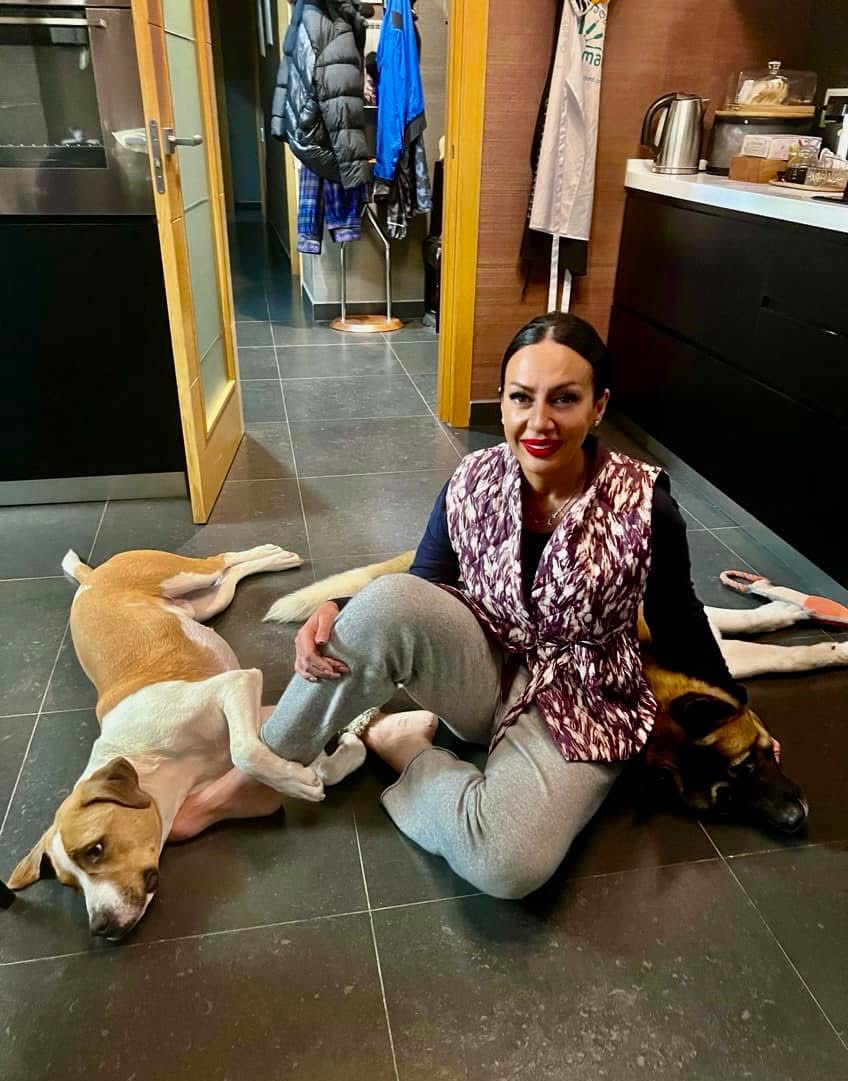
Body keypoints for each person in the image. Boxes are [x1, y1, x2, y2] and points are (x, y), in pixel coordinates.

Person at [181, 313, 746, 896]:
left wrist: (738, 711)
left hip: (584, 699)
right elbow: (423, 583)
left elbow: (679, 619)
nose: (539, 421)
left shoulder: (645, 505)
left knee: (506, 863)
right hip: (483, 666)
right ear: (501, 403)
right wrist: (341, 607)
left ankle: (405, 748)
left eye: (564, 399)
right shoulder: (473, 478)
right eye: (521, 398)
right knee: (384, 602)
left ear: (598, 406)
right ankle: (254, 780)